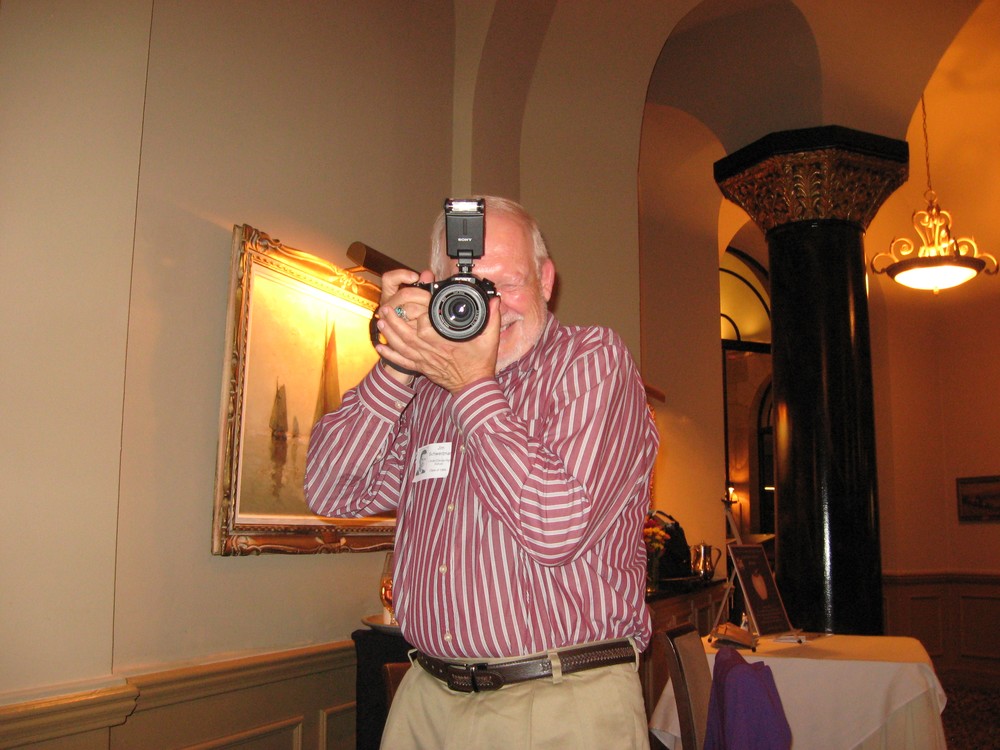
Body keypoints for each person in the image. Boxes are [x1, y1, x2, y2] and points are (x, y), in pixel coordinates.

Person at [306, 196, 658, 749]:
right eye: (465, 286)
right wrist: (396, 363)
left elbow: (555, 528)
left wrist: (471, 386)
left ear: (545, 280)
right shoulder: (426, 389)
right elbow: (331, 489)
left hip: (561, 700)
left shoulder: (592, 361)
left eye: (507, 283)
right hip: (426, 699)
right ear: (432, 289)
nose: (489, 307)